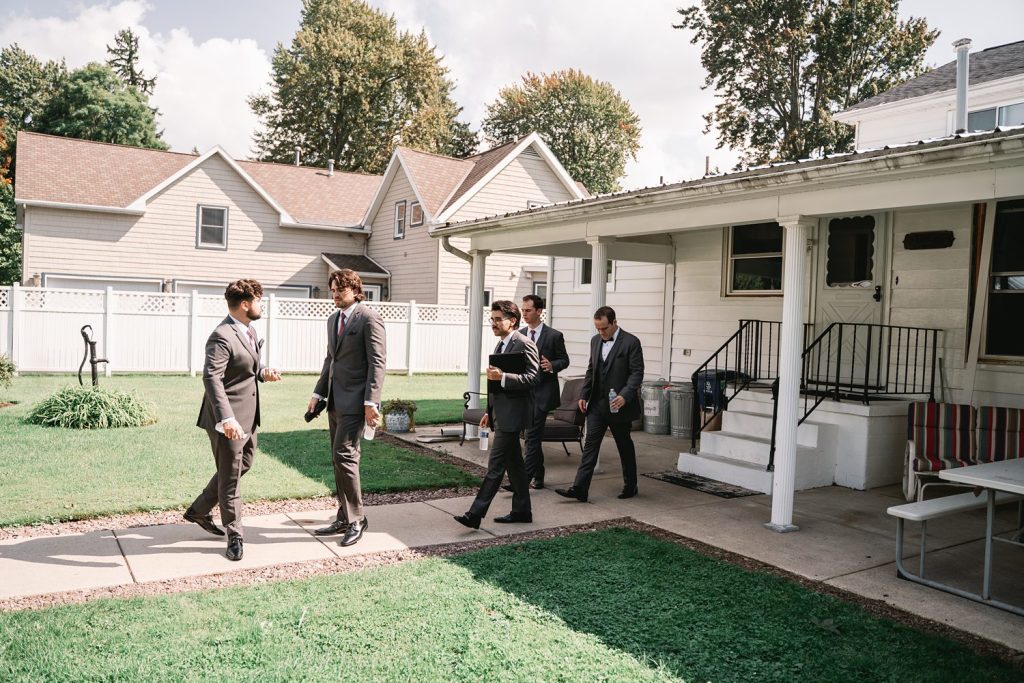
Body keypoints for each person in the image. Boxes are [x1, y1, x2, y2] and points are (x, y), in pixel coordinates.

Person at [185, 279, 282, 561]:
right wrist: (226, 418)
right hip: (227, 420)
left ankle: (199, 510)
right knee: (230, 479)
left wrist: (264, 372)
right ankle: (235, 535)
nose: (261, 305)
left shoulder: (247, 330)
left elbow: (244, 369)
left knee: (244, 464)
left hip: (249, 417)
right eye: (259, 301)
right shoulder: (221, 335)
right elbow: (211, 378)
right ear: (244, 304)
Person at [309, 269, 386, 547]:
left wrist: (371, 403)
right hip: (334, 400)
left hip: (357, 402)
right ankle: (344, 516)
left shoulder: (369, 318)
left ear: (355, 290)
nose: (335, 295)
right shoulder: (333, 320)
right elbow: (331, 359)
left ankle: (357, 519)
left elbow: (377, 363)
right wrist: (318, 393)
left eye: (340, 290)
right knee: (337, 458)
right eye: (332, 290)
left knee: (346, 456)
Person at [454, 300, 540, 529]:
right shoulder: (501, 345)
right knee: (516, 467)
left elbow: (533, 378)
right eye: (491, 319)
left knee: (495, 467)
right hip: (501, 415)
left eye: (497, 319)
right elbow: (495, 385)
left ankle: (475, 514)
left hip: (514, 417)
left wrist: (502, 377)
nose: (493, 323)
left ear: (512, 321)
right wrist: (489, 413)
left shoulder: (524, 343)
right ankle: (522, 511)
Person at [556, 306, 644, 503]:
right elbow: (591, 370)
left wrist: (625, 395)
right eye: (598, 328)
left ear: (614, 323)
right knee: (590, 446)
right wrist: (584, 394)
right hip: (596, 404)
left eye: (604, 328)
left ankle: (631, 485)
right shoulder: (595, 341)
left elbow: (637, 373)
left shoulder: (631, 342)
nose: (601, 332)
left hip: (619, 405)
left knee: (624, 445)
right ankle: (580, 489)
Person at [502, 294, 569, 490]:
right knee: (532, 437)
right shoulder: (519, 334)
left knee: (531, 437)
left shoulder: (554, 335)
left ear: (539, 311)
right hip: (523, 393)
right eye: (523, 310)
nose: (524, 314)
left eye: (528, 310)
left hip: (543, 394)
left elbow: (564, 360)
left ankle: (521, 481)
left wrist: (552, 365)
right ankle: (538, 476)